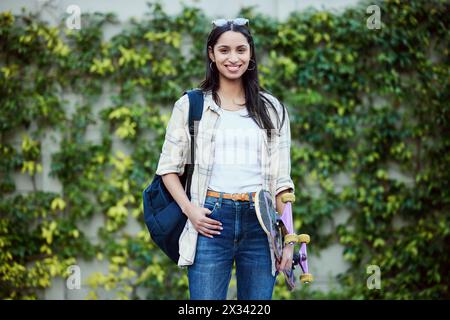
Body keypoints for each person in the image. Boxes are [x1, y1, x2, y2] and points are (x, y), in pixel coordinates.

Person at [155, 18, 295, 300]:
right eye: (224, 50)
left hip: (261, 224)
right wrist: (191, 211)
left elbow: (282, 182)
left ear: (251, 53)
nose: (233, 58)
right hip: (210, 219)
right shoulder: (191, 105)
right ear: (211, 54)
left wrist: (288, 239)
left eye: (241, 50)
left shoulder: (272, 109)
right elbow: (168, 169)